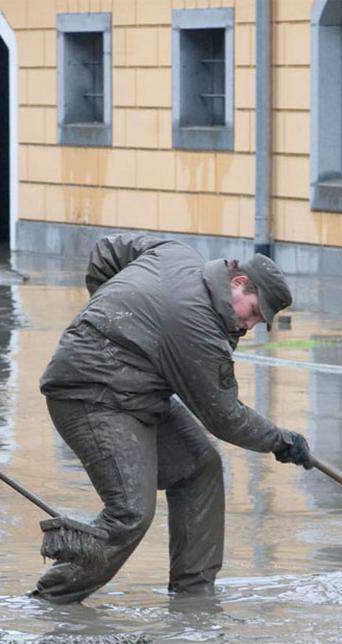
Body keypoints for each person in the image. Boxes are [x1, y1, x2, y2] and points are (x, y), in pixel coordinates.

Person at [35, 234, 313, 604]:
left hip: (141, 392)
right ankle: (49, 601)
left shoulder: (176, 252)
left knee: (200, 467)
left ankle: (193, 595)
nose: (249, 326)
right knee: (130, 512)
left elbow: (107, 250)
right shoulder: (197, 327)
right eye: (254, 313)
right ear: (239, 282)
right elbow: (224, 417)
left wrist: (114, 313)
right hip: (88, 395)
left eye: (259, 322)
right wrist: (281, 441)